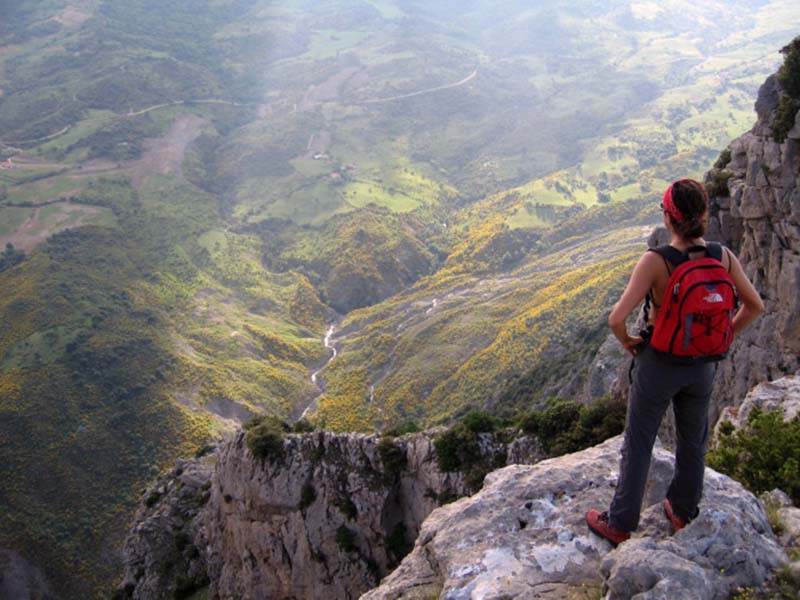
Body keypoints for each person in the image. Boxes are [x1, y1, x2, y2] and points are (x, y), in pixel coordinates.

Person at [586, 178, 764, 545]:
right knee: (693, 441)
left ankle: (619, 523)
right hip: (702, 366)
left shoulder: (656, 262)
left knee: (639, 441)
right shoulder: (722, 256)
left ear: (669, 218)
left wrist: (629, 342)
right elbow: (755, 306)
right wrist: (724, 336)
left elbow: (617, 318)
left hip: (661, 363)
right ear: (704, 216)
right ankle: (683, 511)